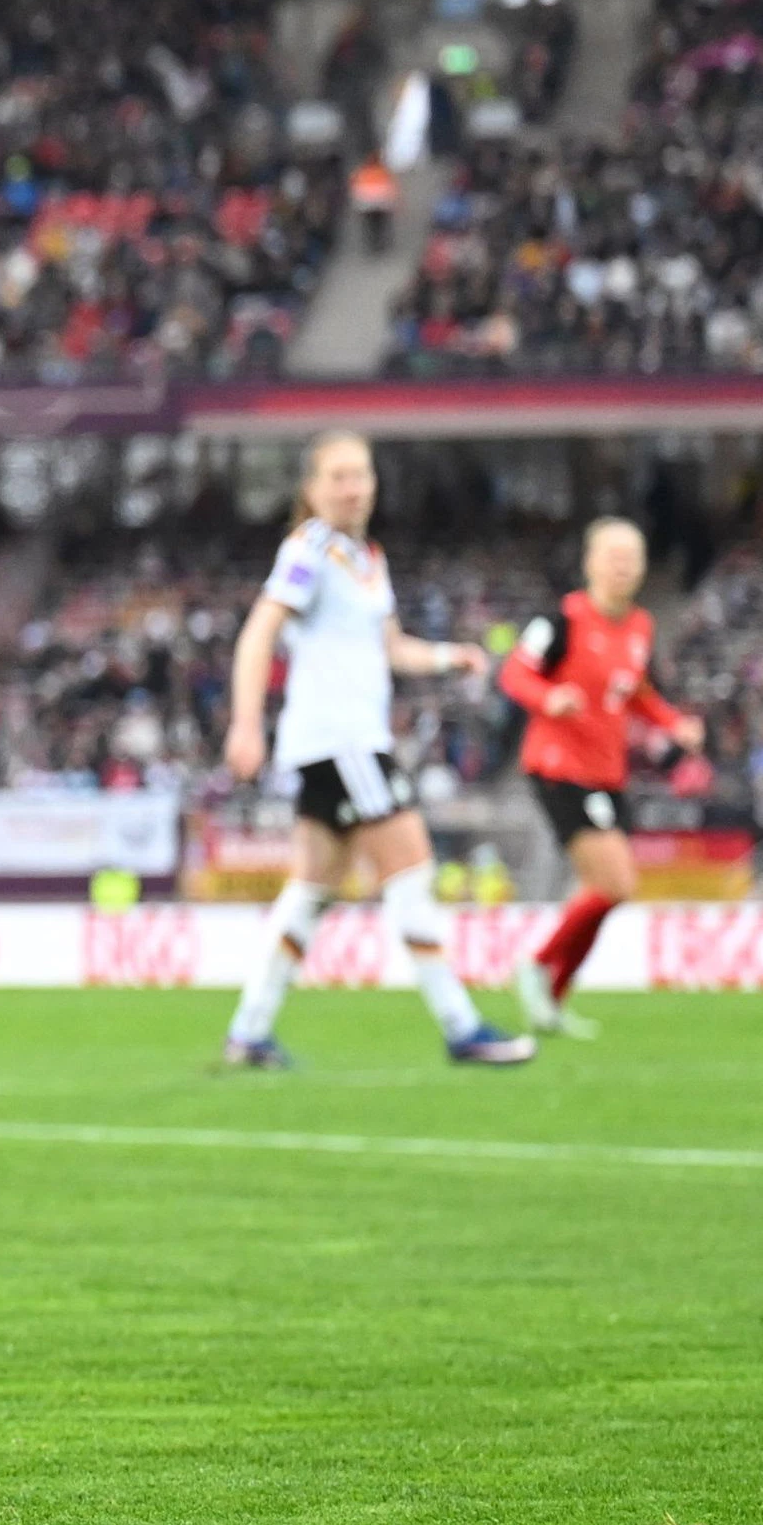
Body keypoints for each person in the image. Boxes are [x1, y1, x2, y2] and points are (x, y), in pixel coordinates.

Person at [216, 432, 534, 1070]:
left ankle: (249, 1033)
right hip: (344, 743)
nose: (352, 487)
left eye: (360, 474)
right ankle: (461, 1025)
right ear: (311, 489)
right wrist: (246, 723)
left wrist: (450, 655)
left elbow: (391, 648)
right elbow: (259, 635)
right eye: (337, 476)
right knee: (411, 869)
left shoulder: (366, 558)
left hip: (343, 743)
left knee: (313, 889)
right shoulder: (309, 549)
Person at [495, 517, 702, 1039]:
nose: (623, 567)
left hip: (607, 773)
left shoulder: (640, 627)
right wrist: (550, 699)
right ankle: (537, 965)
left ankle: (551, 999)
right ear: (590, 563)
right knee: (615, 882)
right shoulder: (562, 620)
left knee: (607, 890)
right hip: (558, 766)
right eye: (613, 556)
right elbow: (513, 673)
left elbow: (636, 693)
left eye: (631, 558)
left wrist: (672, 722)